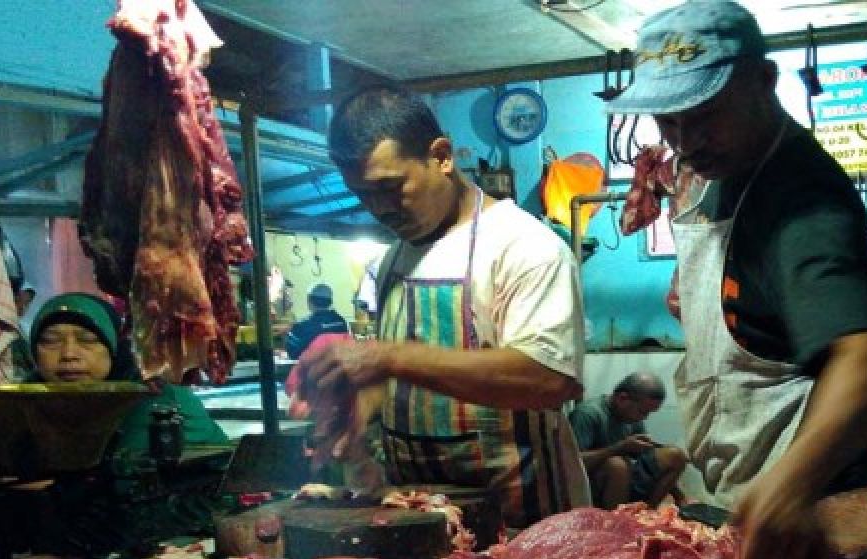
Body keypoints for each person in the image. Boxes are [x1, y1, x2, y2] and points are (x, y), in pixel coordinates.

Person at [606, 0, 867, 559]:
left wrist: (787, 489)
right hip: (757, 496)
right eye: (669, 122)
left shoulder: (803, 200)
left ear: (764, 81)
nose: (687, 142)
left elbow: (859, 363)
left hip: (815, 510)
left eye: (704, 114)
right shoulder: (732, 166)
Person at [296, 85, 589, 529]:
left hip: (521, 524)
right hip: (422, 522)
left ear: (442, 156)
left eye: (390, 188)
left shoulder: (524, 246)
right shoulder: (392, 260)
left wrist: (387, 356)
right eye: (362, 195)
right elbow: (399, 382)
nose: (378, 208)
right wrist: (355, 410)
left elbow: (548, 379)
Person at [29, 292, 227, 454]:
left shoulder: (157, 396)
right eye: (51, 341)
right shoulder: (20, 403)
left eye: (87, 340)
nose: (69, 355)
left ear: (116, 347)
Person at [570, 372, 687, 509]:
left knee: (675, 455)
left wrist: (679, 495)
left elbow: (642, 455)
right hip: (595, 486)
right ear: (622, 398)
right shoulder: (587, 414)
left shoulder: (631, 416)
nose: (645, 417)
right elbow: (574, 464)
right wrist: (618, 448)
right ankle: (614, 521)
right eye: (643, 412)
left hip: (628, 477)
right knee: (617, 465)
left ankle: (647, 511)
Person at [285, 282, 348, 360]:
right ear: (330, 301)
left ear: (309, 301)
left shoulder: (301, 326)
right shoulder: (341, 322)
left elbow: (293, 354)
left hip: (312, 370)